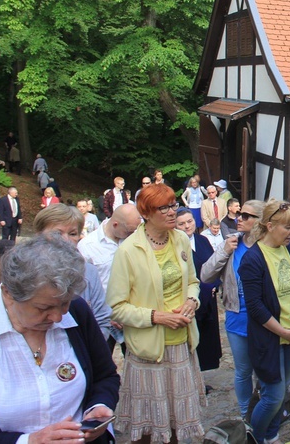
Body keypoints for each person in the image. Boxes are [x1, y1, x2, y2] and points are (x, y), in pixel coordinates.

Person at [0, 235, 120, 443]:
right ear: (8, 294)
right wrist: (28, 441)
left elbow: (105, 376)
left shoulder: (77, 313)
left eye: (64, 303)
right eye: (43, 308)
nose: (58, 317)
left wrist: (98, 406)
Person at [107, 184, 206, 443]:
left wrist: (191, 301)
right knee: (149, 428)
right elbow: (117, 307)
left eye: (174, 205)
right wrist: (158, 317)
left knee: (175, 425)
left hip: (181, 346)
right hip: (150, 352)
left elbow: (194, 282)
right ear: (147, 213)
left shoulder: (181, 239)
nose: (173, 212)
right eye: (165, 207)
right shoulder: (128, 251)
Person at [239, 199, 290, 443]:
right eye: (287, 227)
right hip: (269, 337)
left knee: (284, 390)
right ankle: (257, 438)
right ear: (269, 225)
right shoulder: (253, 259)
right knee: (273, 396)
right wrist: (284, 331)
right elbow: (255, 307)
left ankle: (272, 434)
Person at [201, 200, 262, 420]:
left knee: (263, 371)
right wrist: (224, 252)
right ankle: (246, 413)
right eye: (240, 214)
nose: (239, 218)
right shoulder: (231, 243)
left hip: (265, 320)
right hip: (237, 318)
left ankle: (264, 412)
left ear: (261, 221)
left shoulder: (268, 246)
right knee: (243, 370)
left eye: (246, 216)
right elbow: (205, 275)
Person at [34, 204, 112, 340]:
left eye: (72, 234)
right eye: (57, 233)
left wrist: (88, 351)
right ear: (39, 235)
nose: (66, 240)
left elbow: (102, 320)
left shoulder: (89, 272)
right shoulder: (25, 271)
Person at [78, 203, 141, 354]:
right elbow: (84, 290)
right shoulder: (87, 247)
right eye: (129, 231)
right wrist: (107, 316)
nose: (132, 234)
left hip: (134, 314)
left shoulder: (134, 239)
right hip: (105, 318)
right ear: (115, 224)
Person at [175, 208, 224, 384]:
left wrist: (214, 285)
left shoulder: (203, 240)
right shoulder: (174, 244)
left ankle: (199, 377)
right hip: (187, 300)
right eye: (181, 223)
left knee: (205, 339)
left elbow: (214, 265)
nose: (187, 226)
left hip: (207, 299)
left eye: (189, 221)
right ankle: (188, 379)